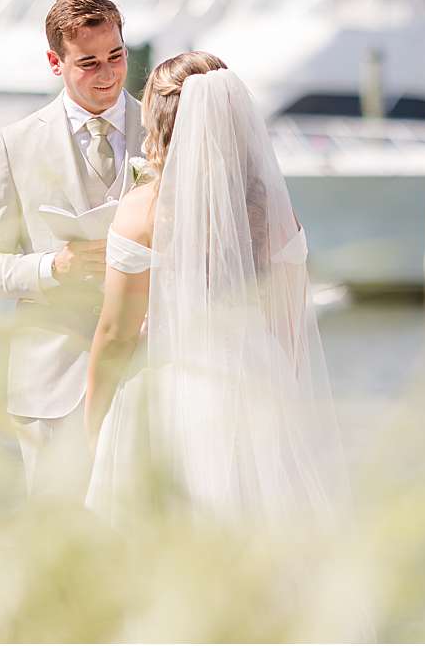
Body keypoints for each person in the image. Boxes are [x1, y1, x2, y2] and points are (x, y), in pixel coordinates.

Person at [83, 53, 349, 526]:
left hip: (169, 387)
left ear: (161, 121)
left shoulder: (143, 209)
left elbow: (115, 333)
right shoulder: (273, 212)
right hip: (257, 383)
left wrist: (94, 424)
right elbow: (289, 327)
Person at [0, 0, 145, 499]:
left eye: (116, 56)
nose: (107, 74)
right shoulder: (14, 144)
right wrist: (51, 269)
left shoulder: (164, 128)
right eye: (88, 63)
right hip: (52, 384)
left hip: (152, 370)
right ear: (54, 62)